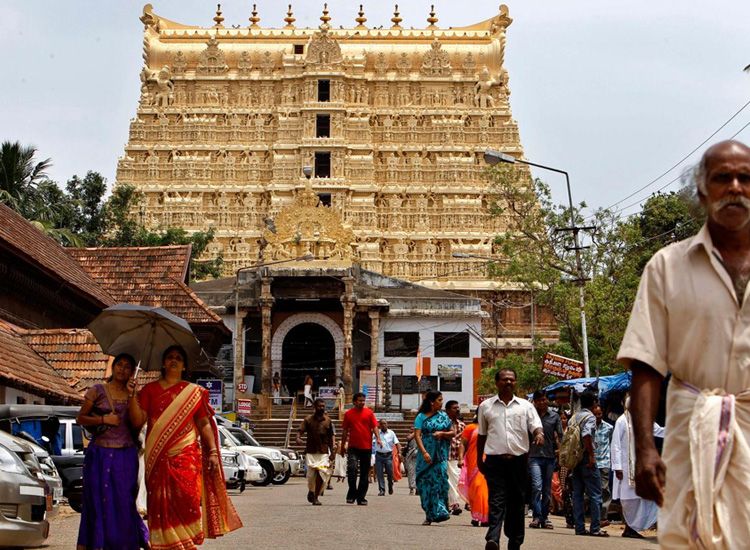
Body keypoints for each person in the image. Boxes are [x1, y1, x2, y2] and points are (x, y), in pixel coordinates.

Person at [618, 140, 750, 548]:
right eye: (721, 178)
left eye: (745, 178)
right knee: (691, 538)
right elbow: (646, 363)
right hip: (690, 433)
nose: (734, 187)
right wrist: (643, 450)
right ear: (702, 191)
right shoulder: (667, 267)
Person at [128, 345, 241, 549]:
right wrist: (132, 397)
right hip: (157, 458)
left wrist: (213, 452)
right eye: (169, 357)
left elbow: (204, 423)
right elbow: (138, 422)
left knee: (188, 500)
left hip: (186, 458)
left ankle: (186, 544)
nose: (173, 360)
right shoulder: (149, 391)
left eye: (178, 358)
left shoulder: (194, 392)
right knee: (159, 504)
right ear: (163, 363)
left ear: (183, 366)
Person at [76, 353, 149, 550]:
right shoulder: (97, 390)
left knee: (123, 501)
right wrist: (103, 420)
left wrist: (132, 395)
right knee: (97, 499)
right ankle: (96, 544)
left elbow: (137, 423)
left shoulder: (136, 396)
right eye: (119, 364)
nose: (122, 369)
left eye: (127, 366)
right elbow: (81, 418)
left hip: (124, 457)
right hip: (98, 456)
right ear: (113, 367)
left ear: (132, 372)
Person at [477, 368, 543, 550]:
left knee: (517, 502)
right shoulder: (486, 406)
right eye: (505, 380)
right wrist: (479, 459)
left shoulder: (525, 406)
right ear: (497, 382)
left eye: (512, 380)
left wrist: (539, 434)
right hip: (494, 461)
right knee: (496, 500)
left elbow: (535, 425)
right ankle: (493, 538)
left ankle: (515, 541)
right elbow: (481, 435)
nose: (508, 383)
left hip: (518, 462)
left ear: (516, 383)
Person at [611, 397, 664, 538]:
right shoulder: (621, 421)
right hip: (626, 468)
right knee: (628, 500)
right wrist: (617, 467)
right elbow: (615, 445)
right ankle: (629, 528)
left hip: (641, 466)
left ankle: (633, 527)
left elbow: (659, 431)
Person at [569, 390, 608, 537]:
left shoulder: (575, 416)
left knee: (577, 494)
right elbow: (586, 435)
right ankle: (595, 528)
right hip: (586, 458)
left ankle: (579, 527)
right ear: (593, 403)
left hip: (575, 459)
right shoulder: (590, 417)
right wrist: (591, 456)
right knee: (596, 494)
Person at [414, 391, 455, 525]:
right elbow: (417, 435)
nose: (442, 402)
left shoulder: (444, 416)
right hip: (425, 455)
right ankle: (429, 514)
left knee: (440, 482)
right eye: (439, 400)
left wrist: (442, 433)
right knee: (425, 484)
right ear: (432, 402)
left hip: (440, 455)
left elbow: (453, 432)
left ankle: (441, 511)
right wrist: (424, 452)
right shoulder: (421, 417)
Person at [528, 390, 563, 530]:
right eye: (539, 400)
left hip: (549, 457)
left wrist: (561, 453)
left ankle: (545, 517)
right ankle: (536, 516)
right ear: (535, 402)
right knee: (536, 486)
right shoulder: (530, 417)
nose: (542, 403)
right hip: (533, 456)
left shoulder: (554, 417)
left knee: (547, 489)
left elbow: (560, 436)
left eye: (544, 400)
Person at [340, 392, 381, 505]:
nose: (362, 402)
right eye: (360, 400)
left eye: (363, 400)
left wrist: (378, 438)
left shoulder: (369, 413)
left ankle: (361, 497)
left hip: (366, 447)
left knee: (364, 473)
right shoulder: (348, 414)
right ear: (354, 402)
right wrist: (343, 446)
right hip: (353, 447)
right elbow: (344, 431)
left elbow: (375, 427)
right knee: (352, 470)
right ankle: (352, 493)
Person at [296, 398, 335, 506]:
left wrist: (332, 452)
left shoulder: (328, 421)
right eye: (319, 406)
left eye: (323, 406)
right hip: (311, 451)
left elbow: (331, 436)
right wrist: (298, 438)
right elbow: (300, 431)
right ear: (314, 407)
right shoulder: (308, 420)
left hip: (323, 452)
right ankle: (311, 491)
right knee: (310, 476)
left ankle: (316, 497)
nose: (321, 408)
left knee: (322, 474)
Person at [459, 415, 489, 527]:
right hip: (473, 462)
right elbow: (463, 444)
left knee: (483, 488)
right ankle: (475, 515)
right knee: (474, 488)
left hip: (488, 461)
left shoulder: (491, 427)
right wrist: (460, 458)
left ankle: (485, 517)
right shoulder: (470, 428)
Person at [592, 403, 613, 527]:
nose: (597, 417)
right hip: (592, 462)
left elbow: (611, 444)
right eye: (595, 414)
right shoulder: (589, 427)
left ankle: (603, 517)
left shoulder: (609, 428)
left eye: (599, 414)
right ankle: (594, 515)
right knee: (592, 492)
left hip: (604, 462)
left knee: (604, 490)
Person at [445, 400, 466, 515]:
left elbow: (464, 442)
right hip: (443, 456)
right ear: (448, 410)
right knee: (446, 481)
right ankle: (453, 504)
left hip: (456, 457)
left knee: (455, 480)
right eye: (454, 408)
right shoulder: (442, 424)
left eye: (458, 408)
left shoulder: (462, 425)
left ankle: (452, 503)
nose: (457, 410)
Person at [372, 419, 400, 496]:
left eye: (385, 423)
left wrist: (399, 453)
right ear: (379, 425)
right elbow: (370, 440)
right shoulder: (376, 433)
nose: (383, 425)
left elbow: (397, 443)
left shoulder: (391, 433)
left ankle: (390, 485)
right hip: (379, 455)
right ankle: (382, 490)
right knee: (379, 473)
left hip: (388, 455)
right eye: (382, 424)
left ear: (387, 424)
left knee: (390, 473)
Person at [403, 427, 419, 495]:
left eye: (413, 429)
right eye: (411, 429)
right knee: (411, 472)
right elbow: (408, 438)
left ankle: (418, 488)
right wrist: (416, 432)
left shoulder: (421, 435)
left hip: (419, 454)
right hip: (410, 455)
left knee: (418, 472)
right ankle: (412, 488)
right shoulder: (410, 436)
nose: (412, 430)